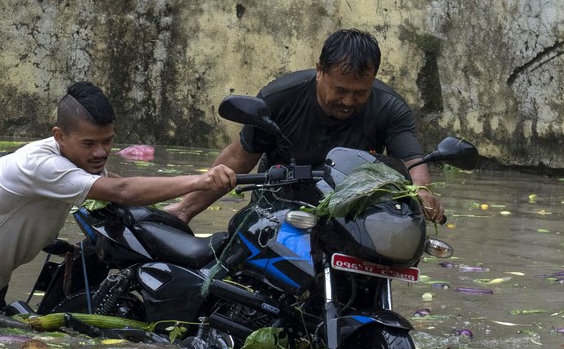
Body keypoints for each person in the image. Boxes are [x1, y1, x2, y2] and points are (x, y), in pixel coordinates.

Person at [0, 81, 236, 323]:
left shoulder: (81, 161)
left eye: (108, 141)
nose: (100, 152)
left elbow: (119, 198)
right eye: (89, 143)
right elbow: (121, 190)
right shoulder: (41, 165)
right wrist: (201, 181)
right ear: (59, 136)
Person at [165, 29, 444, 224]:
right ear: (319, 70)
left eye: (360, 93)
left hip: (350, 214)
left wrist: (423, 192)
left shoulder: (389, 107)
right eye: (340, 90)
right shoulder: (281, 98)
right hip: (278, 208)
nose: (348, 101)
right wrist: (184, 211)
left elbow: (413, 162)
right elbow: (238, 158)